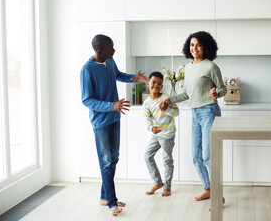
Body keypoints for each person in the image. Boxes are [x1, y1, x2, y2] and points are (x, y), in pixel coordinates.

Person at [80, 34, 148, 216]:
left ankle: (104, 196)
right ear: (99, 50)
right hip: (100, 122)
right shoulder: (87, 70)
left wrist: (135, 77)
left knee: (113, 159)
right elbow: (87, 100)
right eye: (111, 49)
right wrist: (112, 106)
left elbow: (118, 75)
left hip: (114, 119)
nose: (114, 51)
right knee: (106, 161)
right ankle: (111, 202)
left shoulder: (109, 61)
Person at [160, 31, 227, 203]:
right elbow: (187, 94)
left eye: (198, 44)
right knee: (196, 157)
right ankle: (208, 189)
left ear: (206, 47)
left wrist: (216, 93)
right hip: (195, 113)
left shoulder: (211, 67)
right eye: (191, 45)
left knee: (208, 157)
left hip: (209, 112)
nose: (194, 48)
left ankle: (218, 195)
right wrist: (169, 100)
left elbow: (222, 89)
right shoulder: (188, 68)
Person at [142, 71, 179, 197]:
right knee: (147, 156)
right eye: (153, 82)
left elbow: (176, 113)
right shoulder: (146, 103)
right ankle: (157, 182)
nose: (156, 85)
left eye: (159, 83)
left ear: (162, 87)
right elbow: (147, 119)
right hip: (156, 134)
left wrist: (166, 109)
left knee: (167, 160)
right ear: (148, 83)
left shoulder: (166, 99)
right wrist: (151, 128)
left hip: (168, 134)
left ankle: (167, 186)